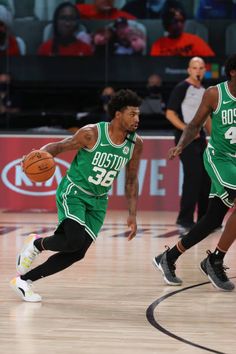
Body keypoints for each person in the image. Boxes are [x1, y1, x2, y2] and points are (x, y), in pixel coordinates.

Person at [10, 89, 143, 302]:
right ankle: (36, 245)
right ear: (118, 114)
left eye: (138, 114)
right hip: (74, 192)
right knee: (73, 240)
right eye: (132, 114)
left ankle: (24, 280)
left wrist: (133, 214)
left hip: (98, 201)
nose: (137, 119)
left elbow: (131, 180)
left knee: (77, 252)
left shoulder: (135, 144)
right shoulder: (92, 133)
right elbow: (59, 147)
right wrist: (36, 155)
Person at [153, 53, 236, 292]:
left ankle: (168, 258)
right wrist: (181, 145)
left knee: (212, 219)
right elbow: (195, 124)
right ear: (232, 72)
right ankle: (216, 259)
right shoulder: (214, 93)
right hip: (219, 158)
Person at [165, 57, 211, 234]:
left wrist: (214, 137)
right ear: (189, 70)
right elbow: (170, 113)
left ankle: (205, 219)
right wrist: (187, 129)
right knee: (193, 176)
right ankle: (184, 220)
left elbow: (207, 118)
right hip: (185, 139)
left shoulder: (206, 91)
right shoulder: (181, 88)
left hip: (200, 139)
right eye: (194, 68)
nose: (198, 71)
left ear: (204, 70)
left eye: (200, 68)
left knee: (207, 177)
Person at [150, 0, 215, 57]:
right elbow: (154, 67)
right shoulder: (158, 45)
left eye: (182, 21)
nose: (179, 25)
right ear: (167, 22)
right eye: (175, 21)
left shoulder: (195, 41)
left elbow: (211, 62)